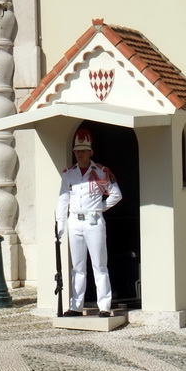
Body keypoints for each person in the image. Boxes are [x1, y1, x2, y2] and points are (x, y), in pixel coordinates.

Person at [56, 127, 122, 317]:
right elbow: (63, 199)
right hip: (75, 221)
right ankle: (76, 305)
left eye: (83, 151)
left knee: (99, 265)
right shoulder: (69, 174)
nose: (79, 154)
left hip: (93, 222)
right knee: (77, 267)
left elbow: (116, 195)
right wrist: (60, 224)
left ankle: (104, 306)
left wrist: (100, 208)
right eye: (77, 151)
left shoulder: (100, 172)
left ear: (90, 152)